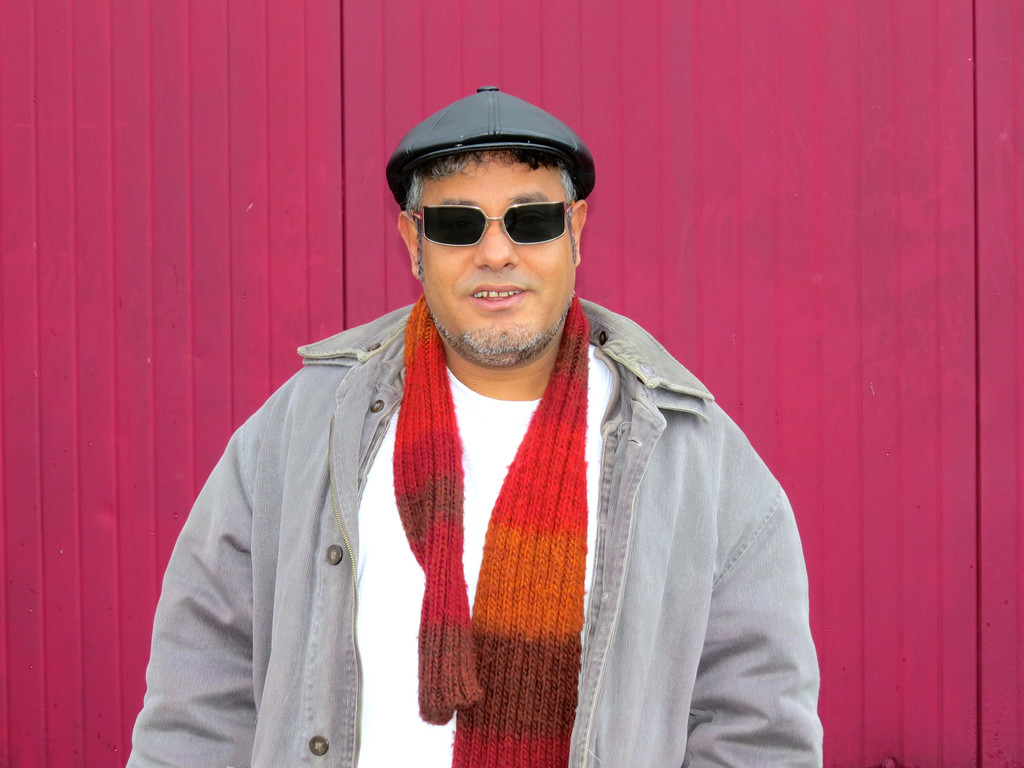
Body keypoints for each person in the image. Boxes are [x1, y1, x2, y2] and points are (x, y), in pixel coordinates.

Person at [128, 86, 822, 768]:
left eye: (530, 220)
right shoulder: (301, 428)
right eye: (458, 224)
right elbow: (200, 693)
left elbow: (758, 729)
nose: (496, 253)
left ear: (575, 230)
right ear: (414, 241)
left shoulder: (695, 458)